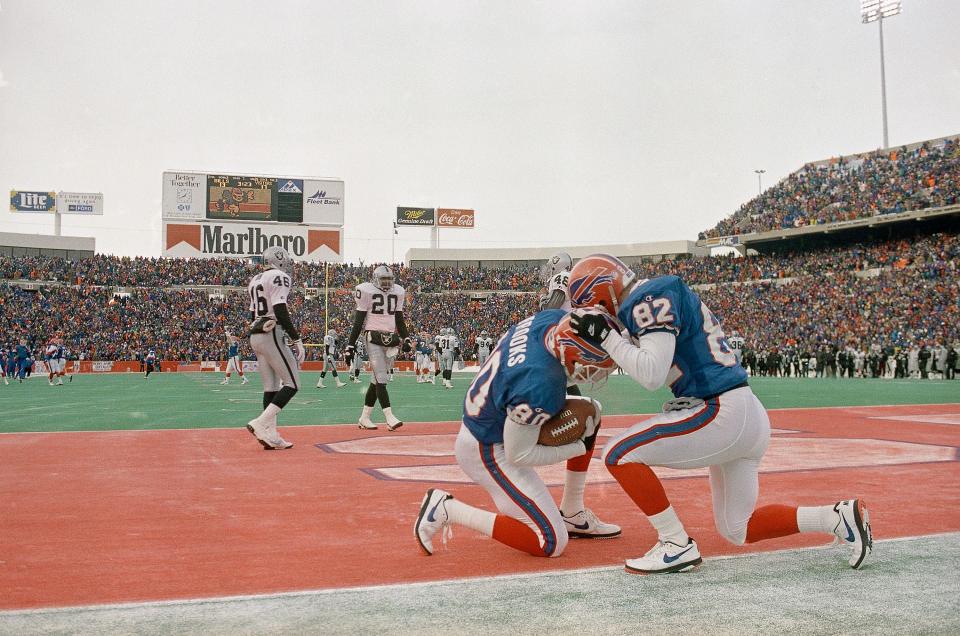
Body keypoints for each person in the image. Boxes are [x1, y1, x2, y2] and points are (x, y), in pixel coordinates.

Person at [566, 253, 873, 574]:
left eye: (593, 307)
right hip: (744, 413)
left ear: (601, 292)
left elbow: (652, 373)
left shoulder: (647, 297)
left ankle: (674, 543)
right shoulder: (655, 296)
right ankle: (836, 517)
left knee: (618, 452)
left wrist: (606, 335)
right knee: (737, 528)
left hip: (722, 409)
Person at [414, 310, 621, 558]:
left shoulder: (550, 320)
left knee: (589, 414)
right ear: (572, 355)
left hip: (496, 418)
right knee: (550, 543)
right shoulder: (540, 384)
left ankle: (573, 512)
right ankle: (447, 509)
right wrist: (580, 446)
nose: (600, 372)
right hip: (487, 449)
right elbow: (519, 455)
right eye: (596, 365)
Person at [244, 246, 304, 450]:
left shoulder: (255, 279)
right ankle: (261, 423)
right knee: (293, 383)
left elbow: (252, 314)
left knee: (271, 387)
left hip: (257, 333)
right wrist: (296, 338)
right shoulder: (279, 276)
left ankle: (271, 435)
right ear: (279, 260)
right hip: (271, 331)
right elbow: (280, 309)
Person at [347, 265, 411, 431]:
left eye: (390, 280)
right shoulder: (366, 291)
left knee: (376, 381)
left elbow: (399, 318)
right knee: (382, 378)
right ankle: (389, 417)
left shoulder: (398, 291)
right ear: (375, 279)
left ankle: (364, 417)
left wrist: (407, 338)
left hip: (390, 340)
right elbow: (359, 321)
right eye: (384, 280)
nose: (387, 283)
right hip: (372, 337)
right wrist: (350, 344)